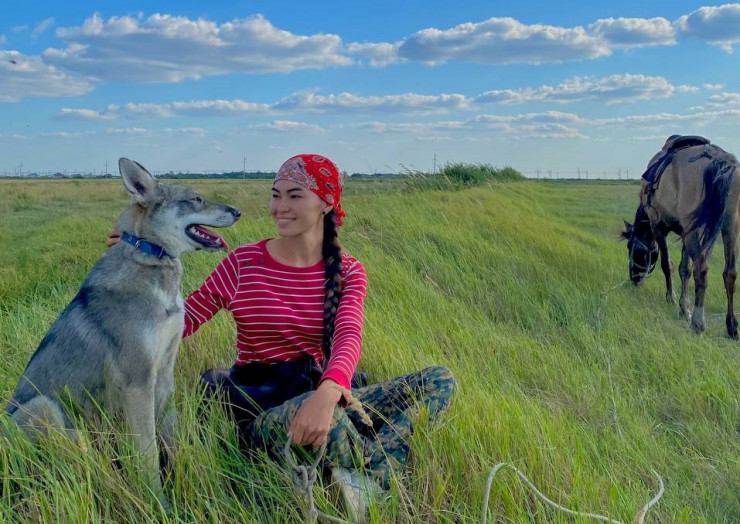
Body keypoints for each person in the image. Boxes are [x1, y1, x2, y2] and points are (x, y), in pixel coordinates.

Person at [108, 153, 456, 517]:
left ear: (326, 203)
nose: (280, 207)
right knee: (336, 421)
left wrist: (327, 393)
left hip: (321, 389)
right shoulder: (242, 263)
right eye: (276, 195)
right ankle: (360, 474)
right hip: (261, 404)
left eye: (294, 195)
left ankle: (362, 478)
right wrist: (139, 253)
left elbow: (348, 334)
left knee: (439, 381)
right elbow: (183, 320)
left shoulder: (349, 270)